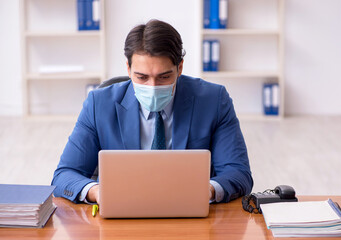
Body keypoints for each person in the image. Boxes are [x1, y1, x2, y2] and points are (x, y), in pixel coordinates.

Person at [51, 19, 253, 204]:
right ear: (128, 69)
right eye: (142, 77)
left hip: (188, 214)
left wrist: (207, 190)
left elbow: (238, 173)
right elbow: (64, 175)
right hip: (122, 213)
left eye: (164, 77)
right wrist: (97, 192)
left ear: (180, 68)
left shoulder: (214, 100)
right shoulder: (99, 104)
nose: (153, 86)